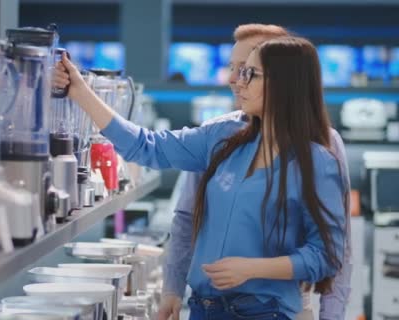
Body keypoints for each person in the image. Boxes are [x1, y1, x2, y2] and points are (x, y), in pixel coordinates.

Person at [55, 36, 346, 320]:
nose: (239, 81)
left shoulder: (317, 162)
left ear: (283, 85)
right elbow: (147, 147)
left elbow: (326, 255)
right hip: (204, 308)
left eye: (251, 74)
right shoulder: (222, 138)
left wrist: (254, 268)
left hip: (266, 311)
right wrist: (81, 92)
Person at [159, 25, 352, 320]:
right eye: (233, 68)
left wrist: (331, 316)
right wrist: (172, 288)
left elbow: (336, 249)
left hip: (287, 306)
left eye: (248, 69)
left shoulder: (322, 145)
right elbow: (188, 218)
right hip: (212, 305)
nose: (235, 80)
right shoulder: (220, 135)